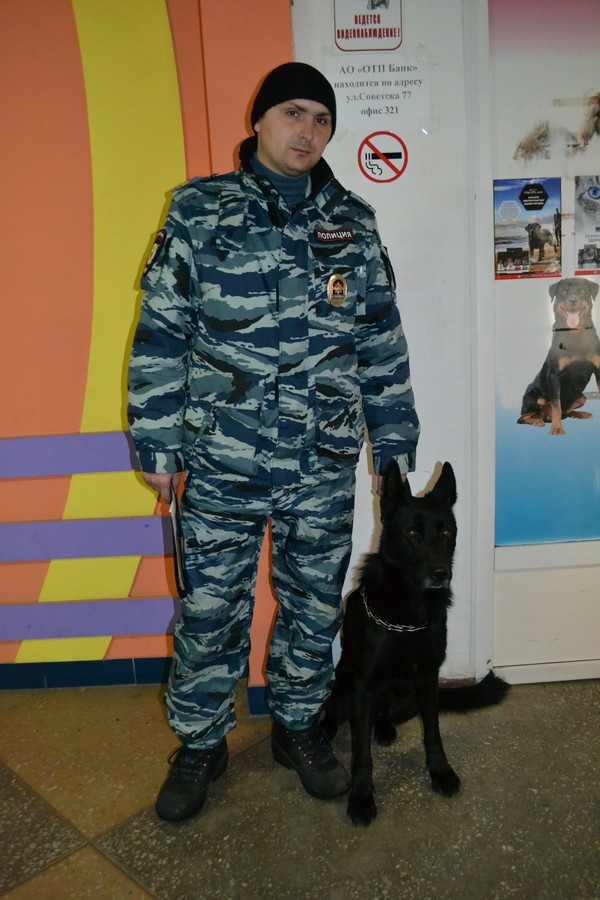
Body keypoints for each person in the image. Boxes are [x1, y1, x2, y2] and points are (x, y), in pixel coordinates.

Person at [127, 61, 419, 822]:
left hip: (321, 462)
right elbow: (161, 333)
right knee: (209, 610)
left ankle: (298, 726)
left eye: (322, 119)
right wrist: (156, 445)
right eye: (293, 113)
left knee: (313, 607)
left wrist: (392, 445)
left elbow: (380, 342)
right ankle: (201, 742)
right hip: (221, 457)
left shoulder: (352, 221)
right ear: (258, 120)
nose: (308, 131)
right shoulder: (199, 211)